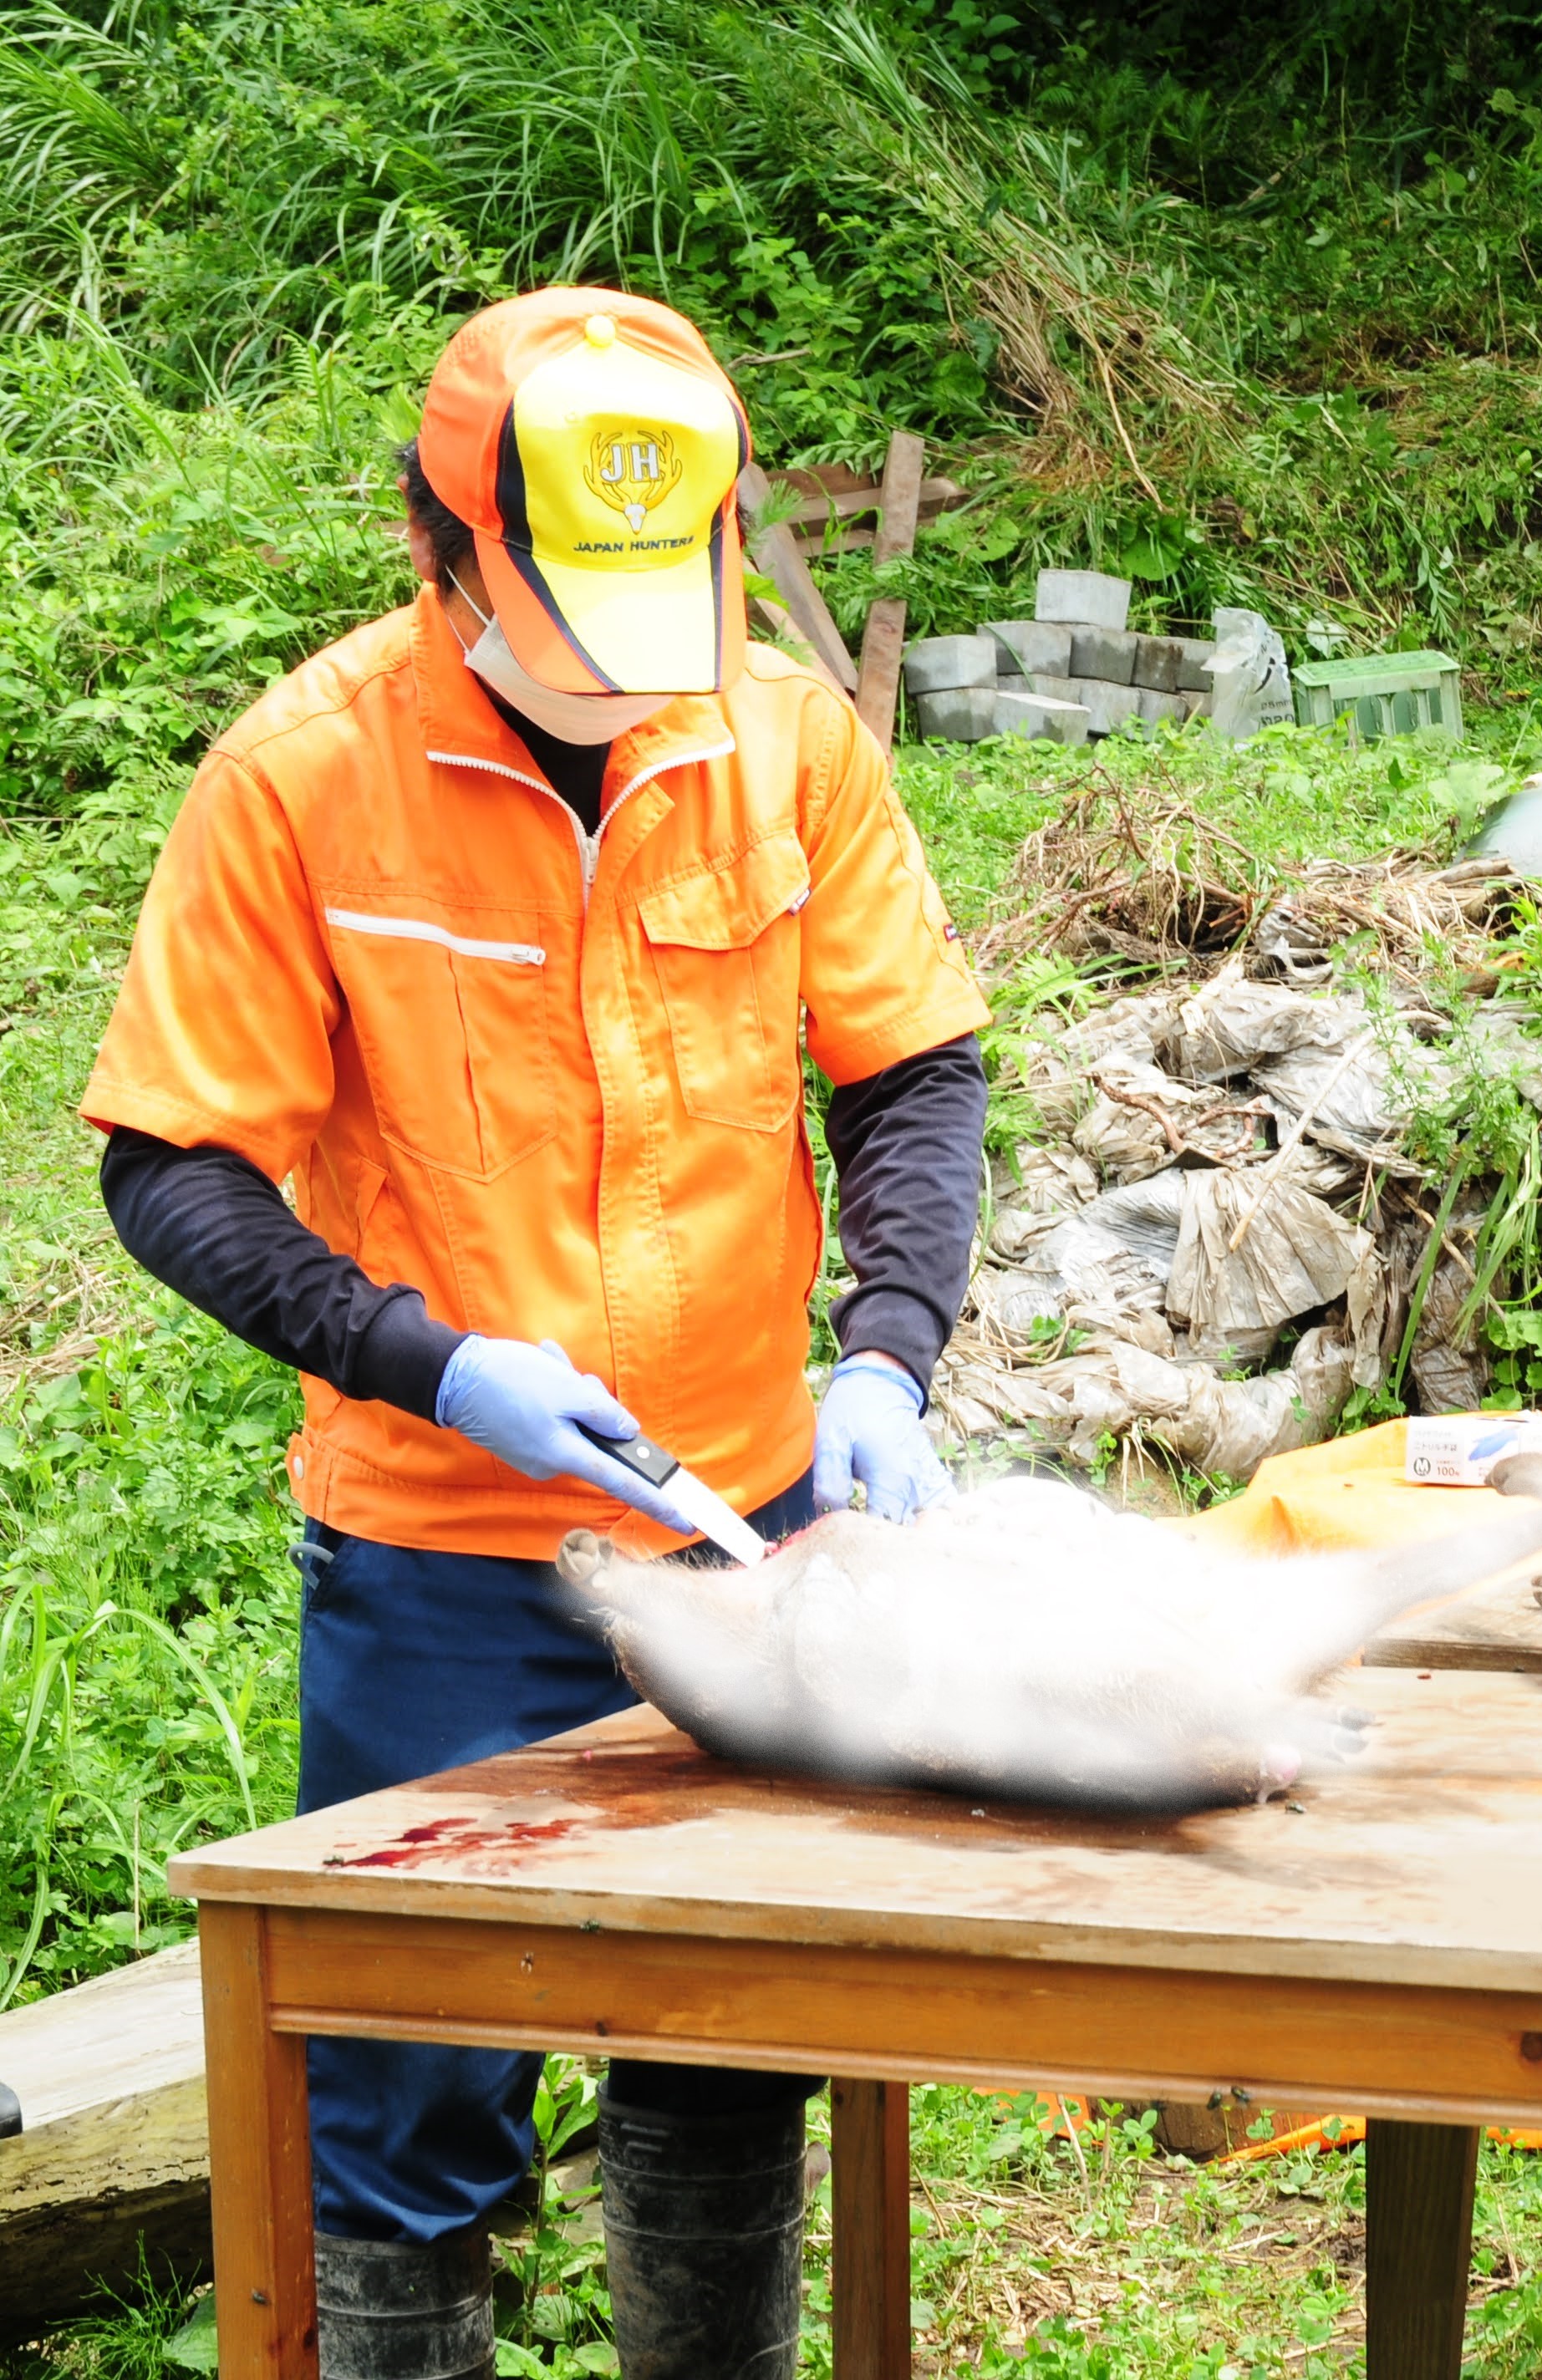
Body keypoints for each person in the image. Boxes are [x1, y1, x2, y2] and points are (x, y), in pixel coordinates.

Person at [84, 287, 991, 2380]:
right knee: (408, 2094)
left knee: (724, 2041)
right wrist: (424, 1357)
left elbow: (913, 1069)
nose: (613, 686)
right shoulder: (303, 781)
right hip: (440, 1557)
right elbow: (175, 1163)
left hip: (746, 1521)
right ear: (444, 548)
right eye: (563, 621)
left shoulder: (778, 737)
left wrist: (887, 1344)